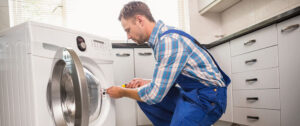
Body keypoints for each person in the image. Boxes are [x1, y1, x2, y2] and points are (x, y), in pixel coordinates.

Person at [107, 1, 231, 126]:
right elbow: (169, 78)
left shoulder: (168, 41)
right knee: (142, 97)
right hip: (192, 93)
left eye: (128, 30)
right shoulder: (160, 39)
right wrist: (147, 82)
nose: (128, 36)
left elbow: (154, 95)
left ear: (140, 20)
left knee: (145, 95)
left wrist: (122, 92)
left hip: (209, 98)